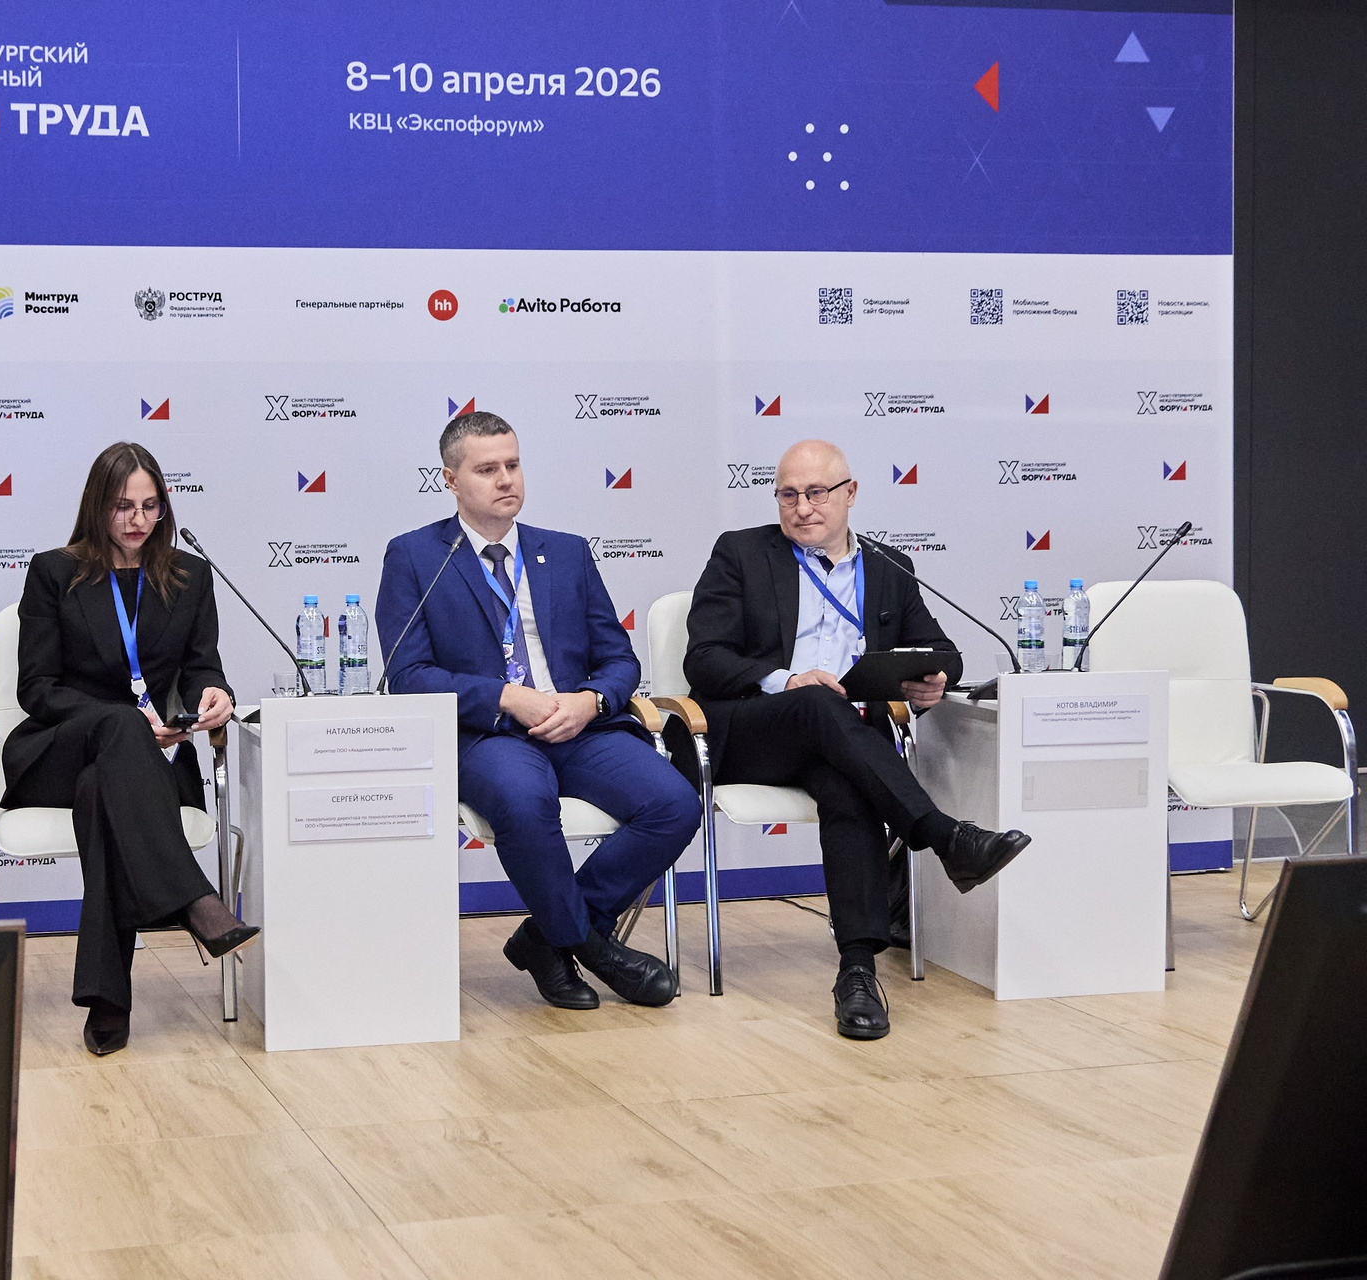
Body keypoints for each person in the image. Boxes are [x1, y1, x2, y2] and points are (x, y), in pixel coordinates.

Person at [684, 439, 1031, 1039]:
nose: (802, 508)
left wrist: (930, 679)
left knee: (848, 783)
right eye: (788, 495)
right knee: (818, 701)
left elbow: (943, 651)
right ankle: (943, 835)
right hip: (752, 731)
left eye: (817, 493)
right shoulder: (741, 553)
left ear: (850, 494)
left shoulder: (889, 566)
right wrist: (786, 680)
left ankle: (858, 972)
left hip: (840, 743)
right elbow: (704, 658)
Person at [377, 410, 703, 1010]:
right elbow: (409, 676)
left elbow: (618, 659)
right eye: (487, 469)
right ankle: (589, 947)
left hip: (580, 727)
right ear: (450, 480)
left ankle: (547, 937)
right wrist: (505, 696)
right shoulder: (417, 557)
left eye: (513, 464)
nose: (506, 479)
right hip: (489, 735)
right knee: (525, 802)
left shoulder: (567, 552)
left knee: (675, 803)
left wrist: (590, 701)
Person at [2, 441, 255, 1056]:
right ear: (97, 506)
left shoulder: (190, 577)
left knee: (103, 794)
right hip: (59, 750)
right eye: (122, 506)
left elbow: (202, 667)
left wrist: (214, 696)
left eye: (150, 506)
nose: (138, 520)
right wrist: (128, 721)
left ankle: (107, 1001)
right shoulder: (54, 572)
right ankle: (194, 900)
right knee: (118, 729)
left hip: (147, 765)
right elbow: (37, 688)